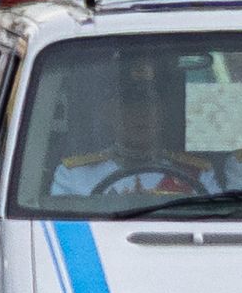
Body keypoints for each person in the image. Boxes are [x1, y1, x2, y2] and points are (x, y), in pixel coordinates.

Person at [41, 52, 204, 202]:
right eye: (128, 106)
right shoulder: (74, 175)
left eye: (149, 105)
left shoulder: (198, 174)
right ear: (108, 112)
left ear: (162, 113)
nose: (140, 114)